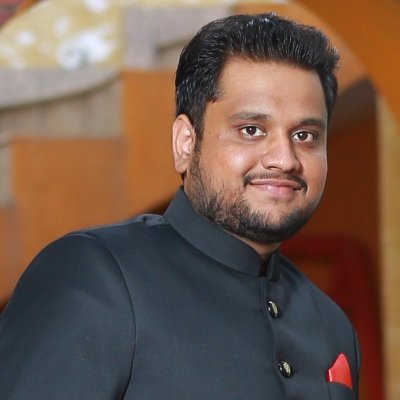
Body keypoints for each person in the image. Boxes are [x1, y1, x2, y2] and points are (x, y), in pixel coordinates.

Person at [0, 13, 360, 400]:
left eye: (305, 135)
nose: (284, 159)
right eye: (251, 130)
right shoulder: (94, 274)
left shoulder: (331, 325)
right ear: (186, 143)